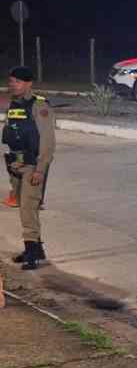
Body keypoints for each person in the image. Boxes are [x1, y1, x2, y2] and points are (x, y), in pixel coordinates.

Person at [2, 66, 55, 270]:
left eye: (17, 81)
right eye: (11, 81)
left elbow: (48, 141)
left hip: (33, 165)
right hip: (16, 164)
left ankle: (32, 251)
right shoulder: (15, 104)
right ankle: (36, 248)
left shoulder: (39, 106)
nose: (12, 84)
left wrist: (41, 169)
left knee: (28, 208)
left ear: (29, 83)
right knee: (27, 209)